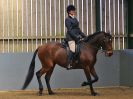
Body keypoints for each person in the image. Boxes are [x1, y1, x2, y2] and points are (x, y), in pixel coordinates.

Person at [65, 5, 86, 69]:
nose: (74, 11)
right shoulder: (67, 19)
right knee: (73, 49)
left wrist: (83, 35)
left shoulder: (75, 19)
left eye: (74, 10)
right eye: (72, 10)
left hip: (77, 37)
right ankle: (68, 63)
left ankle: (78, 62)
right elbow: (70, 30)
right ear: (69, 12)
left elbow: (78, 29)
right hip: (71, 38)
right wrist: (76, 37)